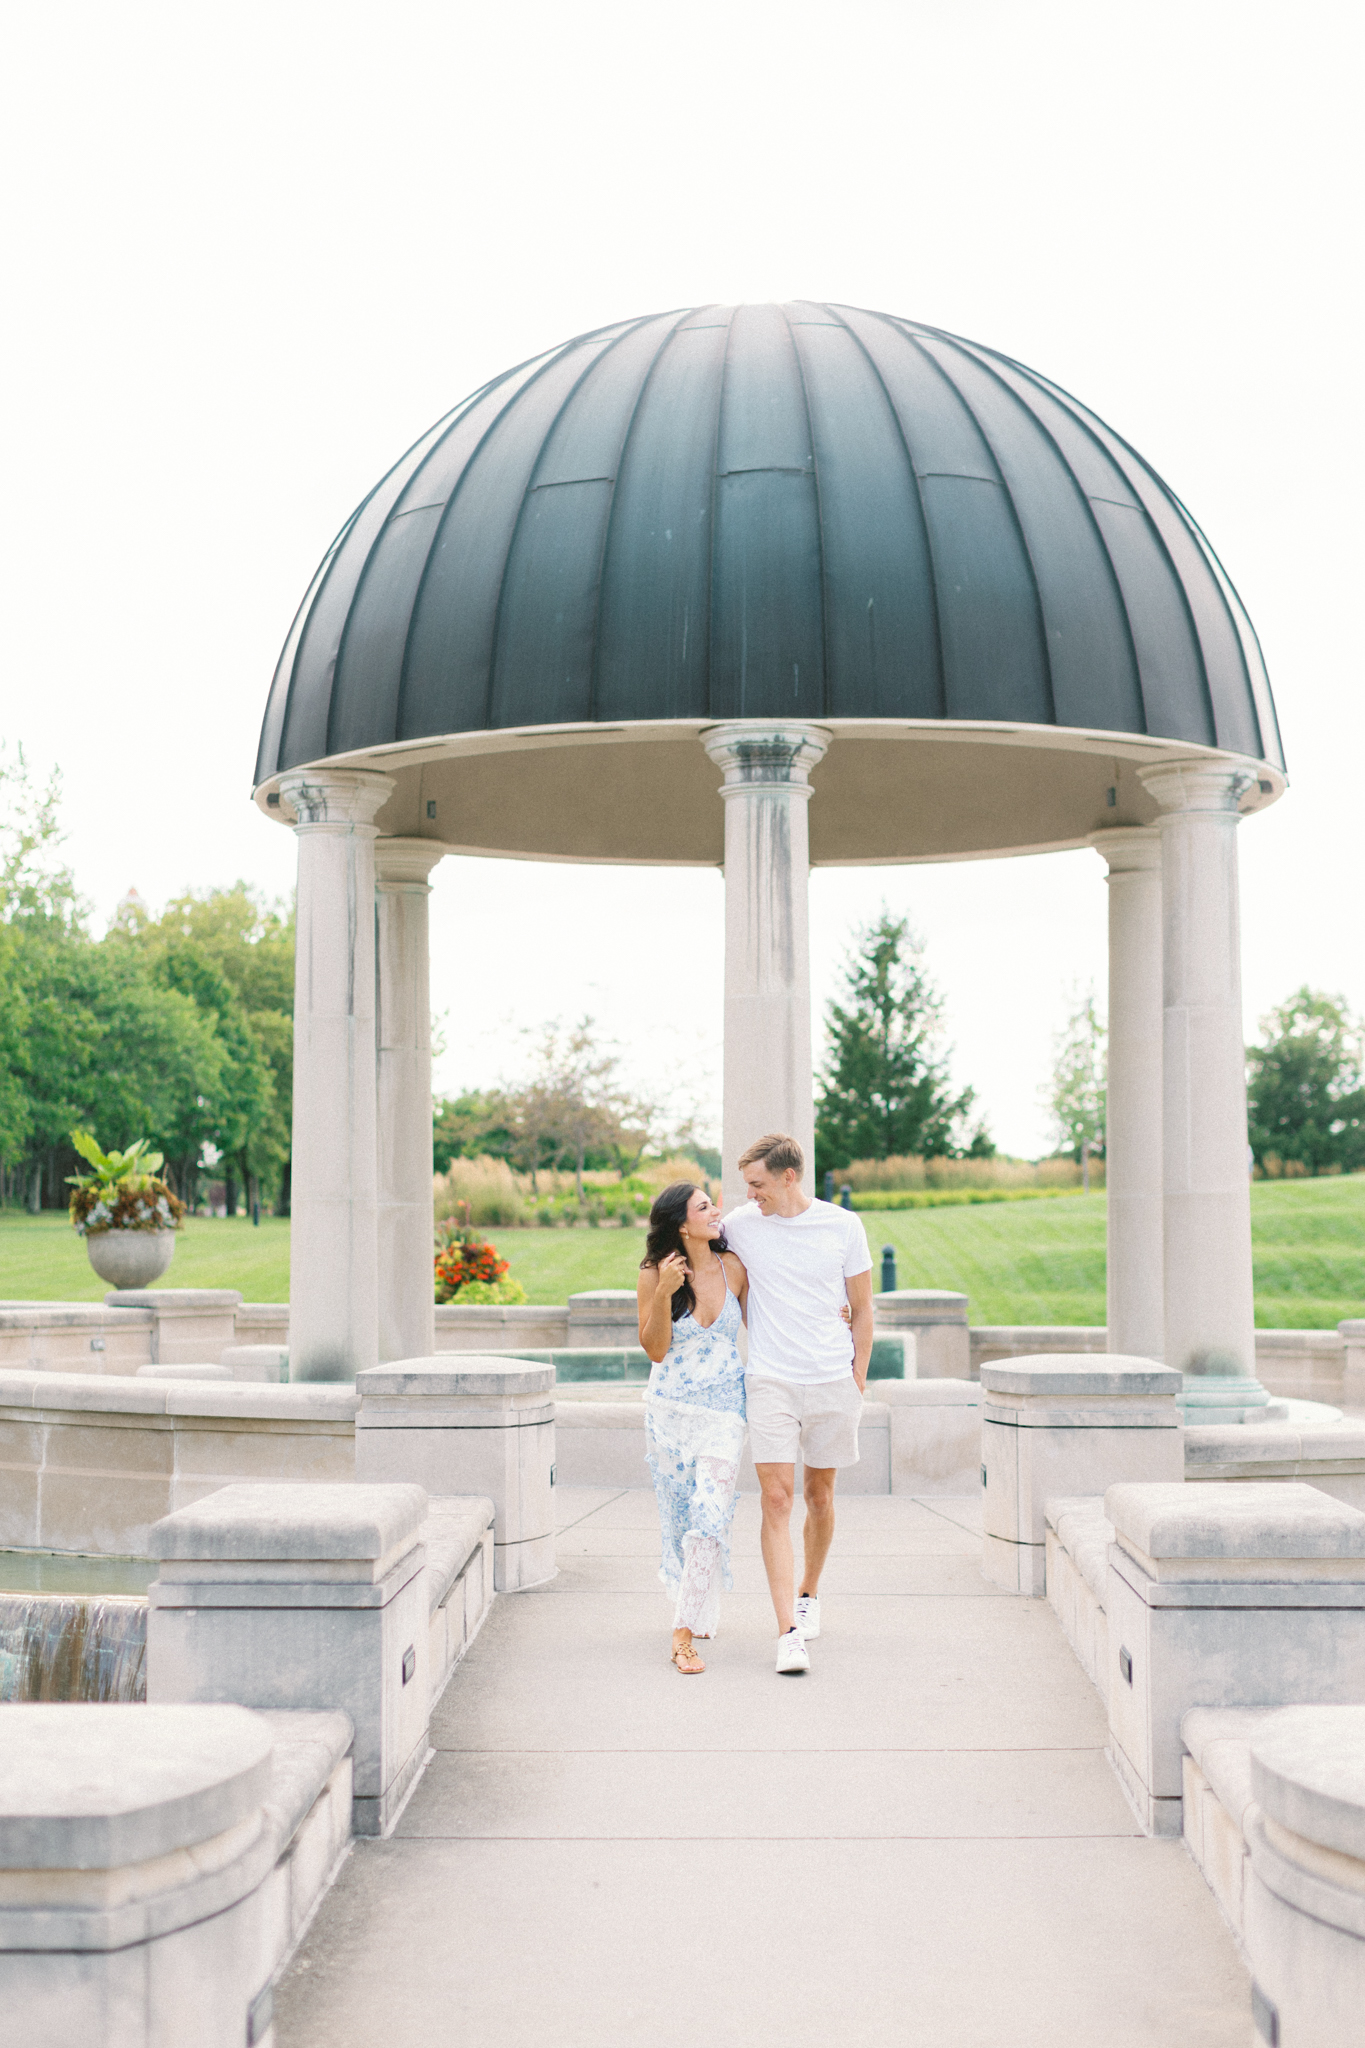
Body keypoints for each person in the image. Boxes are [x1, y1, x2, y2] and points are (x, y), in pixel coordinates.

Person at [721, 1133, 873, 1675]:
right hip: (770, 1380)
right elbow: (690, 1233)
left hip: (832, 1380)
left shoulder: (842, 1226)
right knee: (777, 1498)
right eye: (747, 1186)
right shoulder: (740, 1224)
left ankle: (809, 1592)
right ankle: (787, 1632)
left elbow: (862, 1306)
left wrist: (857, 1375)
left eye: (758, 1184)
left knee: (819, 1494)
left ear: (789, 1177)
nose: (751, 1194)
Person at [637, 1181, 749, 1674]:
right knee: (679, 1522)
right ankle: (693, 1606)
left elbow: (774, 1319)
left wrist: (840, 1315)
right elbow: (656, 1349)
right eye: (704, 1207)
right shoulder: (653, 1274)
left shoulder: (734, 1269)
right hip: (670, 1415)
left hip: (725, 1412)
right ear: (682, 1224)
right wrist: (664, 1292)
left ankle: (682, 1639)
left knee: (709, 1516)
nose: (716, 1211)